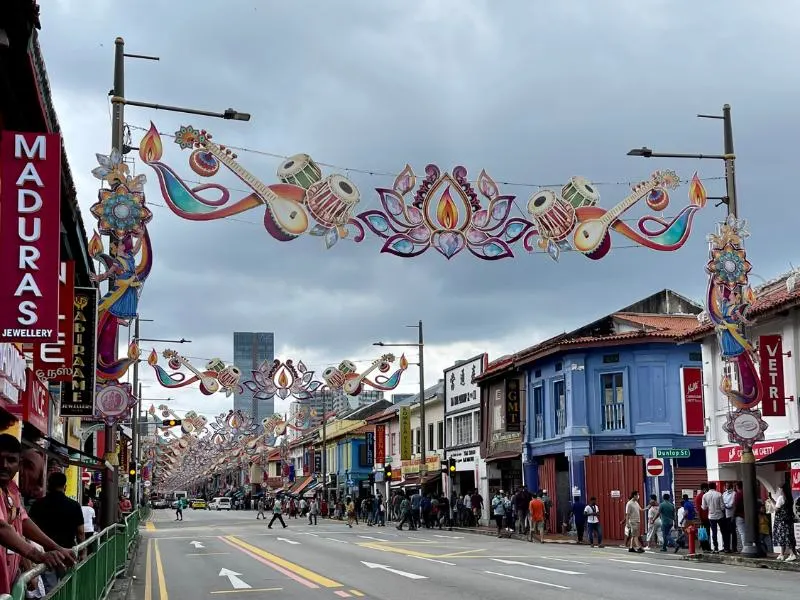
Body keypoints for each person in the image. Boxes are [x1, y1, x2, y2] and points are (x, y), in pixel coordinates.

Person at [0, 435, 76, 595]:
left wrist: (57, 548)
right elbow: (2, 528)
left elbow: (23, 521)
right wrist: (39, 556)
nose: (4, 465)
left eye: (10, 460)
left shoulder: (12, 489)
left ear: (19, 465)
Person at [29, 472, 85, 592]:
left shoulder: (38, 505)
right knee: (68, 587)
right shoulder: (74, 506)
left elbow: (30, 529)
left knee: (50, 590)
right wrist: (82, 552)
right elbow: (80, 532)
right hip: (68, 553)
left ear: (48, 485)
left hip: (45, 554)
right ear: (65, 486)